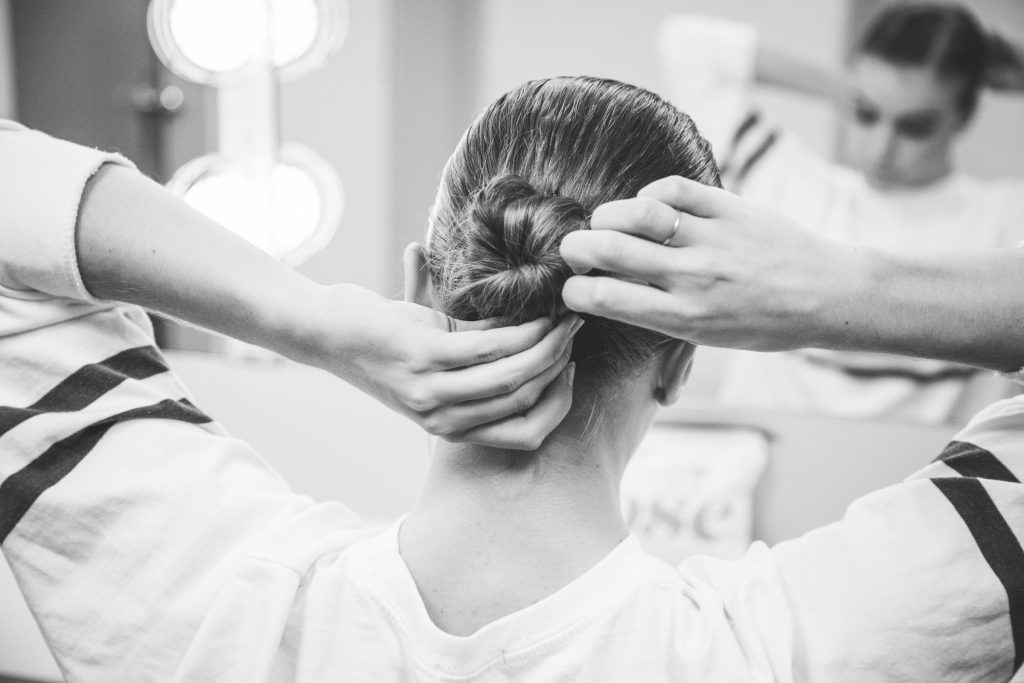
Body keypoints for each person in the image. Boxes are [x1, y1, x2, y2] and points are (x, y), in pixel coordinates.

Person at [3, 76, 1023, 683]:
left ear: (416, 284)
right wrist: (845, 290)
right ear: (684, 352)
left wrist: (308, 317)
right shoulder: (786, 650)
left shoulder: (214, 604)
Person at [659, 3, 1024, 423]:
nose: (880, 146)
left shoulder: (1005, 218)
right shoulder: (785, 183)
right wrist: (850, 86)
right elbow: (688, 47)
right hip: (762, 466)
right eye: (866, 113)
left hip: (915, 477)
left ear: (962, 117)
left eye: (914, 126)